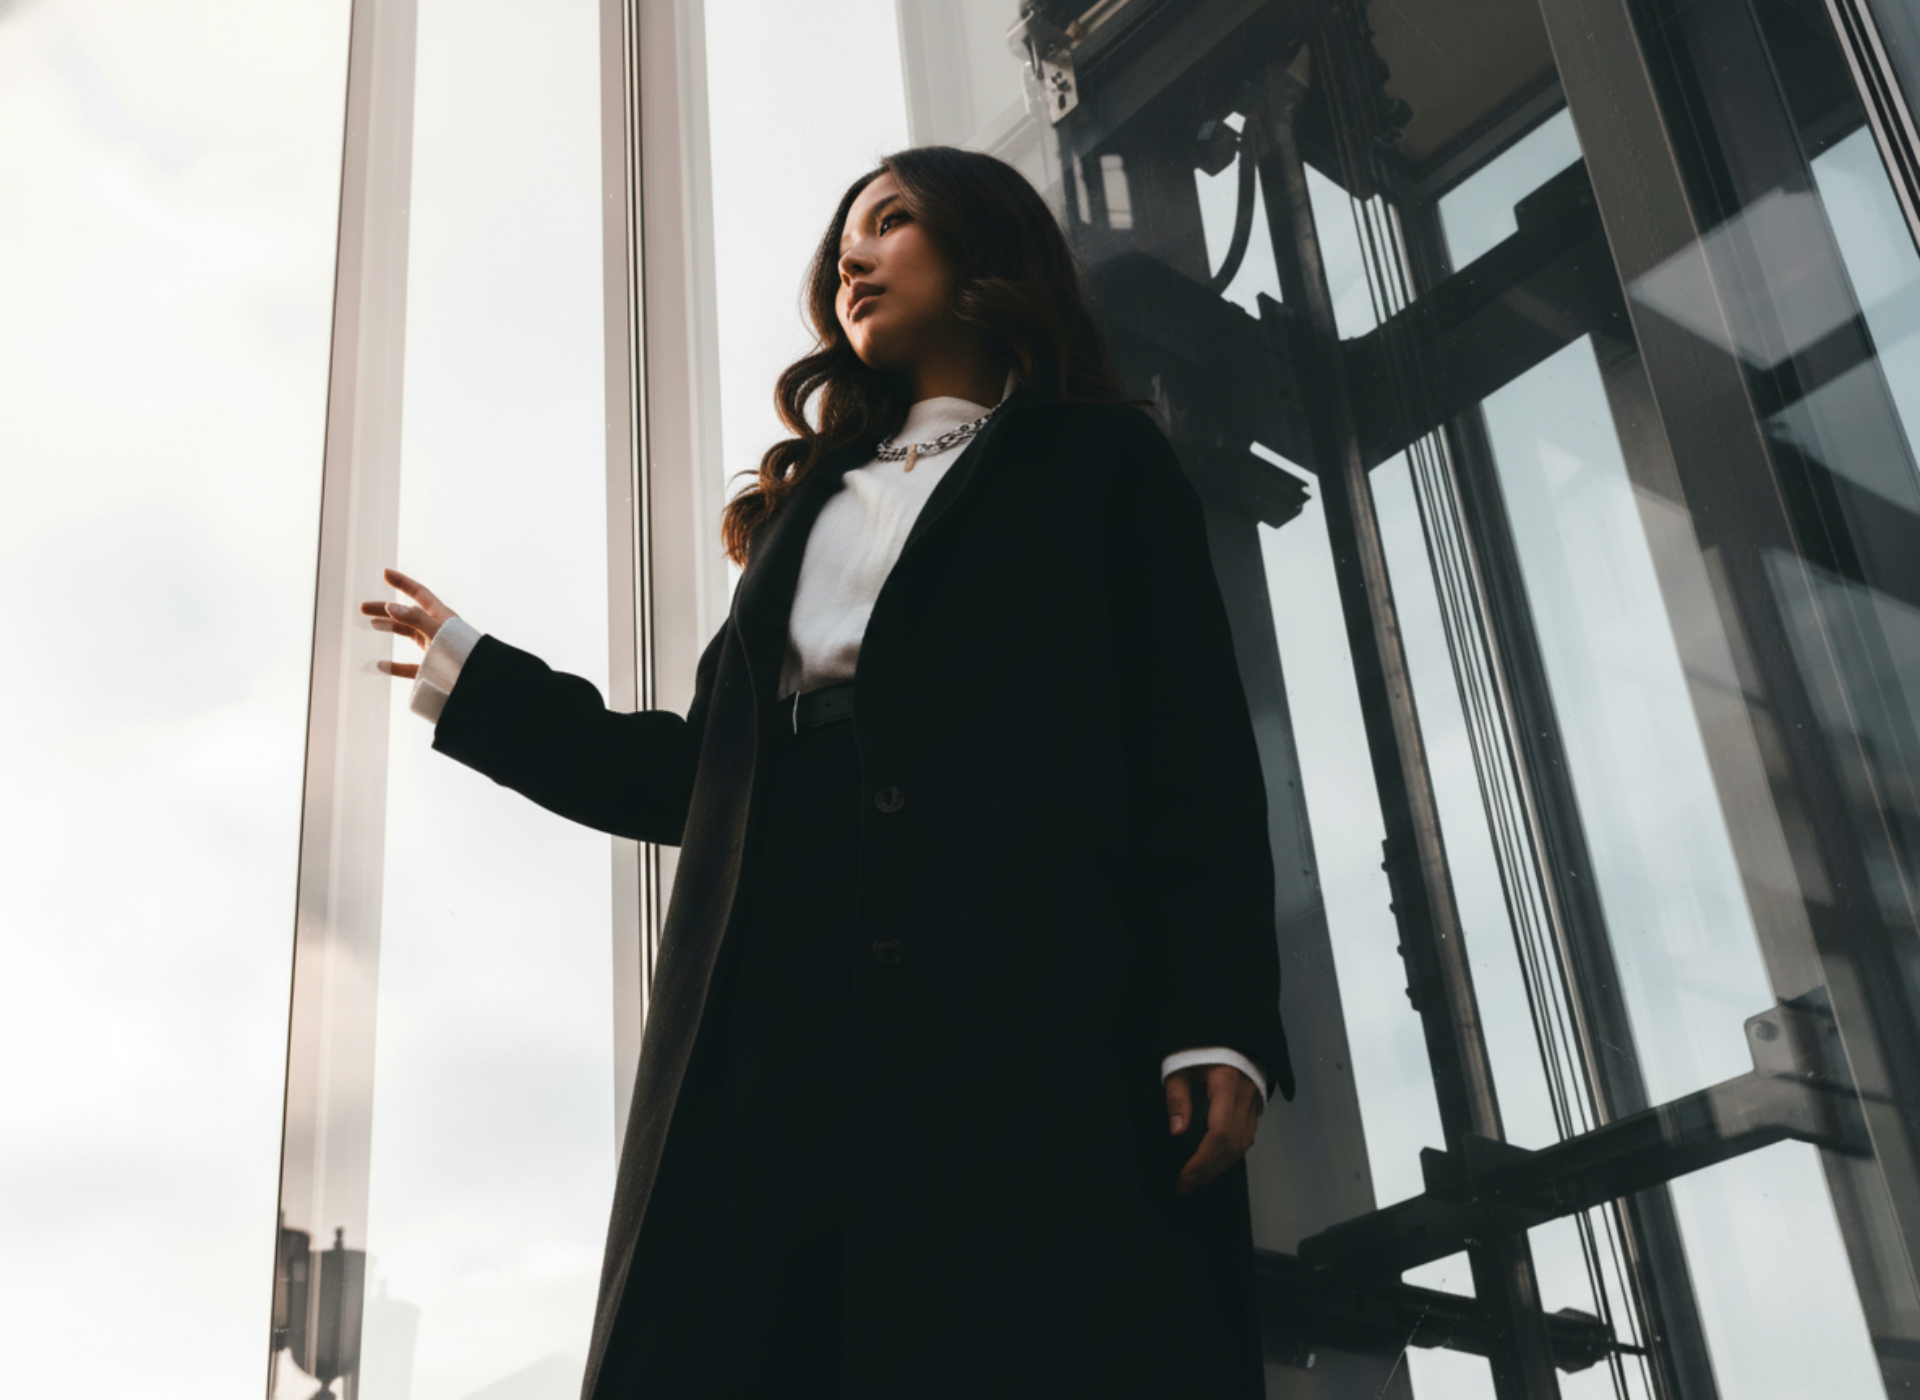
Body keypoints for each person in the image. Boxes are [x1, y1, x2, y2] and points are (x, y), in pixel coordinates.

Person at [363, 145, 1293, 1399]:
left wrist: (1216, 1017)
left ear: (985, 248)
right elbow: (699, 772)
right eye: (844, 240)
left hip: (1018, 985)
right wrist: (480, 679)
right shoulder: (811, 507)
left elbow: (1190, 752)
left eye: (893, 223)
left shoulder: (1100, 464)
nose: (852, 256)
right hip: (777, 984)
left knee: (1014, 1330)